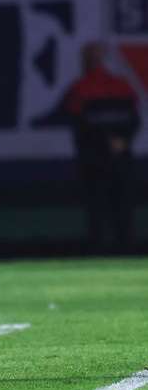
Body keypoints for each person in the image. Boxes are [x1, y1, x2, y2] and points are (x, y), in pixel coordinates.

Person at [64, 43, 140, 253]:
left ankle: (103, 249)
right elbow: (133, 120)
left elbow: (77, 121)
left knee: (102, 207)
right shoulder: (119, 85)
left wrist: (114, 141)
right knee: (116, 206)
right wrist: (121, 141)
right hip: (113, 154)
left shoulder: (82, 88)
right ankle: (123, 249)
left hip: (96, 157)